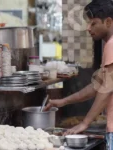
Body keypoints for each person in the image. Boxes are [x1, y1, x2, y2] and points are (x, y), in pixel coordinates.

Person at [44, 0, 113, 149]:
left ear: (108, 22)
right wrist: (63, 101)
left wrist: (85, 123)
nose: (88, 28)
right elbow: (97, 86)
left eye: (93, 23)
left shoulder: (111, 46)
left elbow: (106, 89)